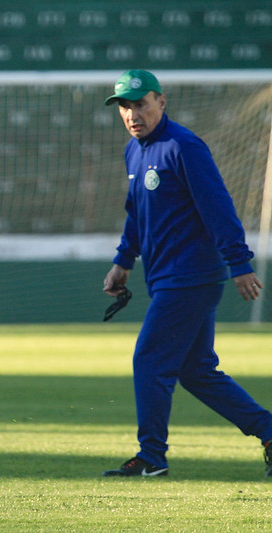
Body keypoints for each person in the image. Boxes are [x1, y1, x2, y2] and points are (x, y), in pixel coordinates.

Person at [100, 69, 272, 478]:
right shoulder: (134, 150)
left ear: (161, 101)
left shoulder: (184, 146)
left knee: (150, 360)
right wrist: (124, 260)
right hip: (165, 277)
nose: (132, 113)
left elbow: (218, 207)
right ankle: (268, 430)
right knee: (196, 371)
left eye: (140, 103)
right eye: (125, 106)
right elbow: (136, 215)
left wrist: (240, 264)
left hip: (191, 276)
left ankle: (151, 457)